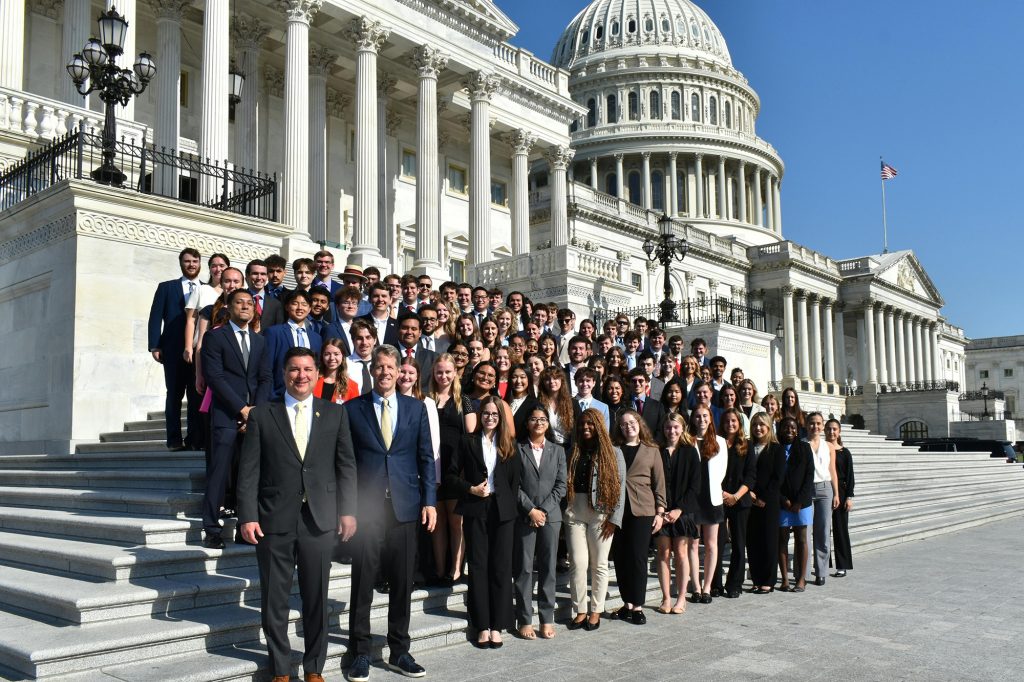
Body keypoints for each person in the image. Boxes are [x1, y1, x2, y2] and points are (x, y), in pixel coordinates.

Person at [236, 347, 358, 682]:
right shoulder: (263, 414)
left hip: (319, 520)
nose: (300, 375)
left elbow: (346, 466)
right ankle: (279, 669)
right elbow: (249, 471)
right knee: (275, 597)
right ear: (284, 374)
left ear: (317, 373)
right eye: (293, 369)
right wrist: (247, 515)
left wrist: (348, 510)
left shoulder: (334, 414)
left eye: (307, 369)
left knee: (316, 596)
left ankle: (314, 667)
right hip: (274, 519)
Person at [344, 345, 437, 682]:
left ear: (400, 372)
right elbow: (347, 463)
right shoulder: (352, 409)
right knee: (363, 581)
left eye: (390, 367)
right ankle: (360, 651)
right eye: (379, 366)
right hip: (367, 509)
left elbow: (426, 457)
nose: (384, 372)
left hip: (405, 507)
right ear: (372, 371)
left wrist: (429, 501)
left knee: (401, 582)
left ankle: (400, 650)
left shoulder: (416, 409)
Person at [199, 289, 272, 549]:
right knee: (219, 473)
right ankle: (211, 528)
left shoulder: (260, 341)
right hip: (225, 415)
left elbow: (265, 378)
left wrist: (255, 411)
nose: (245, 306)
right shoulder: (215, 337)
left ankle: (245, 528)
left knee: (248, 474)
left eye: (249, 303)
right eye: (239, 302)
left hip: (253, 417)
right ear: (228, 307)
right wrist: (242, 409)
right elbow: (215, 377)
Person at [447, 396, 520, 649]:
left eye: (494, 414)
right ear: (480, 416)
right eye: (486, 413)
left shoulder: (509, 444)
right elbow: (450, 476)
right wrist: (470, 489)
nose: (490, 417)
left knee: (500, 567)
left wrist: (507, 503)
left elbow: (514, 482)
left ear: (500, 418)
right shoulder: (466, 441)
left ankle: (497, 626)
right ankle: (481, 625)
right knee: (478, 567)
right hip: (476, 507)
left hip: (503, 512)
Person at [564, 409, 625, 632]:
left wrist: (614, 519)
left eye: (590, 424)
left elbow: (620, 489)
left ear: (599, 425)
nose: (585, 427)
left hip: (601, 513)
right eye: (582, 424)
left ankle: (596, 610)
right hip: (575, 512)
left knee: (599, 564)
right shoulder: (574, 451)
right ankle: (580, 609)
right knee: (578, 563)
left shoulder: (613, 453)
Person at [514, 407, 567, 640]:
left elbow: (561, 485)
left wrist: (542, 510)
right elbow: (512, 483)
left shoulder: (558, 450)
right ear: (527, 423)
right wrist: (530, 509)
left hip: (550, 516)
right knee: (524, 569)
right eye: (534, 419)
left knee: (548, 569)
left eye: (543, 419)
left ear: (548, 423)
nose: (538, 422)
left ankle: (547, 618)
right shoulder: (517, 449)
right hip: (525, 515)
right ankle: (524, 619)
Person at [609, 409, 666, 624]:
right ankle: (627, 604)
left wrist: (660, 511)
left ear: (639, 423)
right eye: (623, 424)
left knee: (639, 558)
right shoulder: (615, 449)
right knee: (622, 559)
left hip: (643, 510)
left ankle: (638, 606)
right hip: (618, 510)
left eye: (631, 422)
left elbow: (659, 483)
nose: (628, 426)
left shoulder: (651, 450)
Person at [148, 247, 203, 450]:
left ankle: (193, 439)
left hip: (198, 351)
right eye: (187, 261)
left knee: (196, 395)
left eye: (195, 261)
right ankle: (173, 440)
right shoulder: (166, 288)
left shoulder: (205, 289)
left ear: (200, 264)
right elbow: (155, 317)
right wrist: (155, 345)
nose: (191, 265)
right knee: (174, 395)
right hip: (172, 351)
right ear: (181, 263)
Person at [654, 413, 700, 615]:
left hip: (683, 512)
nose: (671, 431)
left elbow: (695, 485)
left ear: (682, 428)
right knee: (663, 553)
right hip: (661, 511)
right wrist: (661, 510)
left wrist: (679, 509)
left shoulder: (690, 452)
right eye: (668, 428)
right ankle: (666, 598)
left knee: (681, 553)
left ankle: (681, 597)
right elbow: (654, 482)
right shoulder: (657, 451)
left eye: (675, 427)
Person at [712, 408, 757, 599]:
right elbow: (712, 472)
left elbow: (751, 476)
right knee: (718, 543)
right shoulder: (716, 444)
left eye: (734, 421)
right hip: (719, 498)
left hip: (740, 500)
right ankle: (715, 584)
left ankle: (734, 584)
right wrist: (722, 493)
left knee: (739, 544)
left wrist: (736, 496)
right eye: (727, 421)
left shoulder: (747, 446)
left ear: (739, 424)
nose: (730, 424)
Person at [429, 354, 465, 584]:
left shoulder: (465, 401)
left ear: (455, 373)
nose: (443, 376)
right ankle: (440, 569)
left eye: (447, 372)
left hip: (455, 467)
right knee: (437, 522)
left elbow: (470, 435)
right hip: (432, 467)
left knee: (456, 521)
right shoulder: (426, 399)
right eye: (439, 372)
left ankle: (456, 569)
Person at [687, 405, 727, 604]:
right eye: (698, 416)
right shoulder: (687, 440)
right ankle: (695, 587)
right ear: (693, 419)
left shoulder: (720, 442)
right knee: (693, 544)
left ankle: (707, 587)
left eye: (705, 416)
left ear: (710, 419)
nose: (701, 419)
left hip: (712, 499)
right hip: (693, 500)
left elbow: (722, 471)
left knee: (711, 545)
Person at [746, 413, 786, 594]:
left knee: (769, 541)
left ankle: (768, 581)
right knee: (753, 541)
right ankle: (756, 578)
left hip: (769, 502)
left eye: (762, 425)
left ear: (769, 427)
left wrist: (762, 497)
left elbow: (778, 478)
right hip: (749, 500)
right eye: (755, 425)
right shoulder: (748, 447)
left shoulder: (776, 449)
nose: (758, 428)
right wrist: (751, 496)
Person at [777, 416, 815, 593]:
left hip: (802, 503)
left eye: (793, 428)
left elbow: (809, 476)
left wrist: (799, 500)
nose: (789, 430)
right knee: (782, 540)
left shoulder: (805, 448)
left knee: (801, 540)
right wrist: (782, 498)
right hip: (782, 502)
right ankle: (784, 579)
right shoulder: (775, 448)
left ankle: (801, 579)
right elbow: (773, 477)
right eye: (786, 427)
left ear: (797, 430)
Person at [264, 290, 323, 399]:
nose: (300, 308)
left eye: (304, 304)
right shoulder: (274, 333)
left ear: (309, 309)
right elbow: (267, 368)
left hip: (308, 396)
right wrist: (270, 396)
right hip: (279, 396)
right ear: (287, 307)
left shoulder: (316, 338)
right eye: (295, 303)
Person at [804, 412, 840, 586]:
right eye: (812, 423)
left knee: (823, 531)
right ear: (806, 424)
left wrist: (837, 493)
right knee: (805, 532)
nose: (815, 427)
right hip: (807, 490)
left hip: (825, 489)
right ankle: (803, 572)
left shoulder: (829, 446)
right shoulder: (801, 444)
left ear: (822, 425)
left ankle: (821, 571)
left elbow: (832, 470)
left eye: (818, 423)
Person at [826, 418, 856, 578]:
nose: (831, 432)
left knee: (840, 529)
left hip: (842, 492)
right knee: (824, 530)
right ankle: (824, 564)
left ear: (839, 432)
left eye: (834, 429)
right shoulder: (821, 448)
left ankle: (842, 565)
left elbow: (850, 476)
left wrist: (849, 497)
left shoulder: (845, 452)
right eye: (829, 429)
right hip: (825, 490)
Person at [396, 312, 436, 391]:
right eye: (405, 328)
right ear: (398, 329)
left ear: (420, 332)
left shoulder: (433, 358)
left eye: (414, 329)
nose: (409, 332)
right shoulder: (387, 354)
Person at [313, 338, 359, 404]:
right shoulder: (313, 381)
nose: (332, 358)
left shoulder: (352, 386)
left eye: (336, 354)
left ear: (342, 357)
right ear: (322, 356)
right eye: (327, 354)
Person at [358, 282, 400, 349]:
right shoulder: (358, 322)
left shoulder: (398, 326)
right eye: (376, 296)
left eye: (384, 296)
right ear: (369, 299)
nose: (380, 299)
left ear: (390, 300)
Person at [626, 368, 667, 437]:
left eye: (641, 381)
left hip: (651, 445)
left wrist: (653, 446)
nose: (637, 384)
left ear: (647, 382)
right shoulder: (624, 405)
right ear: (629, 383)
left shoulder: (657, 406)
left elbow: (661, 430)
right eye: (633, 381)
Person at [246, 259, 284, 330]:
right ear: (247, 276)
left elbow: (278, 330)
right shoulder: (238, 300)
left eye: (263, 274)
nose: (259, 278)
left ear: (267, 277)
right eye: (255, 273)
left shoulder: (275, 304)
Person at [505, 364, 541, 436]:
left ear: (529, 379)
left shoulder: (534, 405)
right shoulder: (504, 402)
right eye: (514, 377)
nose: (518, 381)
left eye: (522, 377)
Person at [345, 319, 377, 395]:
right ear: (353, 341)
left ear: (375, 340)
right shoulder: (344, 364)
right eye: (359, 338)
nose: (364, 342)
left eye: (368, 337)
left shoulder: (380, 364)